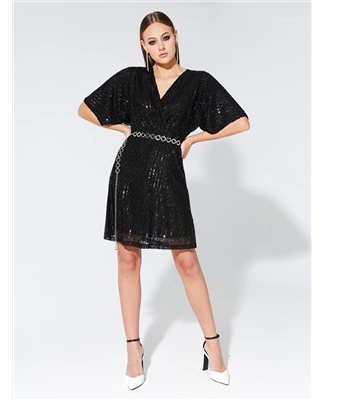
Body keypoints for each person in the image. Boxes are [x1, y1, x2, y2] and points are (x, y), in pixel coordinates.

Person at [78, 11, 250, 390]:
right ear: (143, 46)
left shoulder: (198, 83)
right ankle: (133, 350)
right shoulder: (132, 79)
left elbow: (241, 122)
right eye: (152, 41)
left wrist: (193, 139)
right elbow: (85, 109)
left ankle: (212, 343)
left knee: (186, 260)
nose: (160, 47)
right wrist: (124, 128)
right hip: (130, 173)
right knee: (128, 258)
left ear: (176, 36)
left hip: (168, 176)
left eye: (165, 38)